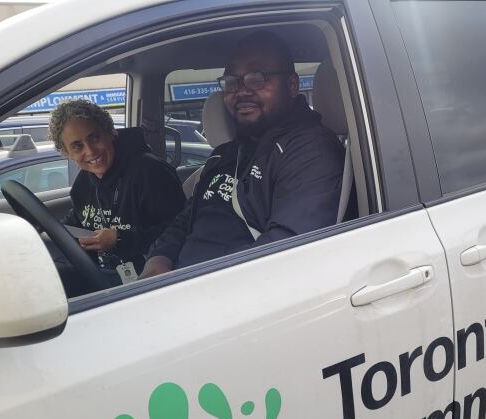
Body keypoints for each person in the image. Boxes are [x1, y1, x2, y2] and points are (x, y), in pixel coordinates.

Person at [139, 30, 345, 278]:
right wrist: (158, 258)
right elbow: (186, 220)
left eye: (257, 79)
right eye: (232, 82)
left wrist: (189, 286)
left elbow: (285, 254)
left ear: (291, 85)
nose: (241, 91)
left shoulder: (311, 151)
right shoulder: (225, 155)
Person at [49, 99, 185, 276]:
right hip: (104, 273)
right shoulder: (83, 182)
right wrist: (48, 228)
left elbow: (181, 228)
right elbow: (80, 217)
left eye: (94, 137)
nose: (90, 151)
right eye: (77, 146)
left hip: (150, 276)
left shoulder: (151, 172)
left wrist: (120, 238)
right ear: (67, 153)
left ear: (109, 133)